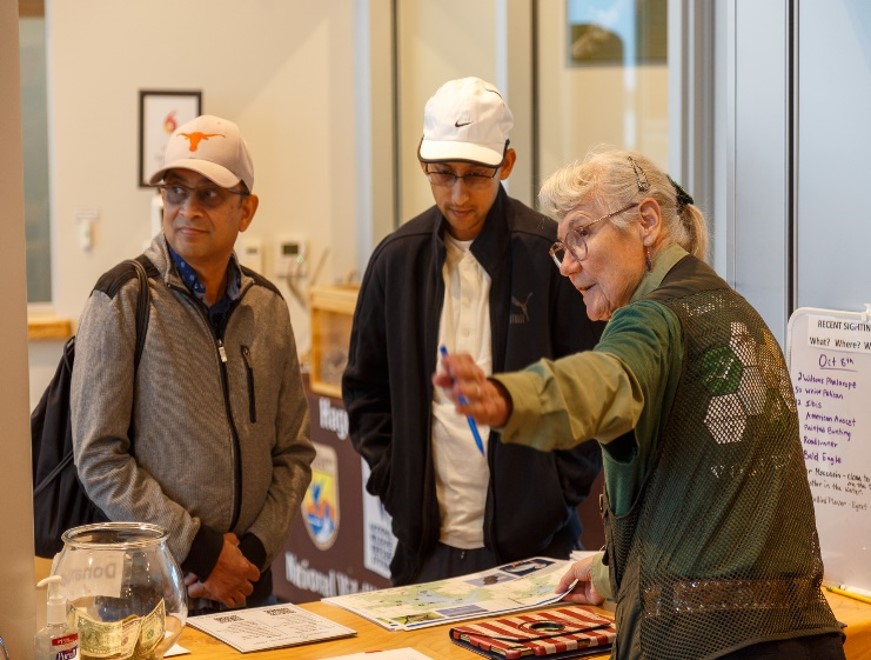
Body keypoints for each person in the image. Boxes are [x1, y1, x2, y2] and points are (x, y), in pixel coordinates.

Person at [433, 148, 845, 658]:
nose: (568, 266)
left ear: (647, 222)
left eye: (582, 235)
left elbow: (603, 383)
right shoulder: (735, 310)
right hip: (802, 638)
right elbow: (706, 505)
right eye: (561, 248)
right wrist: (611, 574)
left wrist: (507, 398)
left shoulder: (650, 319)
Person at [342, 77, 604, 587]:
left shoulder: (548, 256)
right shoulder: (397, 260)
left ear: (507, 164)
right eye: (443, 174)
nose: (459, 194)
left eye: (477, 175)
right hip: (424, 547)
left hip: (536, 546)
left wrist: (551, 495)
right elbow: (365, 392)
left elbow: (591, 387)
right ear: (423, 161)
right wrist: (398, 485)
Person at [71, 114, 315, 613]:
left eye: (209, 195)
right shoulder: (123, 298)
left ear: (246, 210)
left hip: (248, 590)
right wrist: (202, 553)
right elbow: (99, 458)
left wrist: (247, 559)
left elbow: (293, 453)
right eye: (176, 191)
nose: (188, 209)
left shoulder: (268, 307)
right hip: (147, 599)